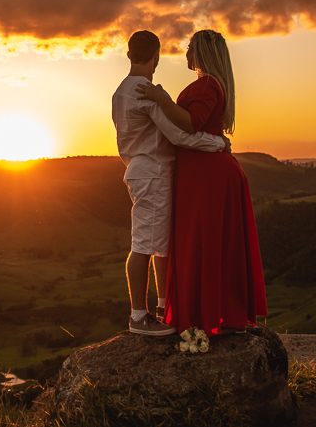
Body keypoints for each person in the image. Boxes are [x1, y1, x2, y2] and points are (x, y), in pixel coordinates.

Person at [137, 29, 268, 335]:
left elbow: (191, 122)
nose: (186, 54)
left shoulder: (207, 84)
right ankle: (210, 314)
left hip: (207, 177)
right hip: (204, 173)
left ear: (202, 54)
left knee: (202, 243)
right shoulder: (209, 84)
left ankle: (205, 316)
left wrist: (160, 98)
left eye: (190, 48)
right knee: (208, 245)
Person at [113, 30, 231, 337]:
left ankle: (165, 308)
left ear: (128, 55)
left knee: (160, 245)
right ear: (156, 56)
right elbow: (179, 134)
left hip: (139, 168)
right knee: (144, 245)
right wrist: (217, 142)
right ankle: (139, 317)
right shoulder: (145, 90)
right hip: (153, 171)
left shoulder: (119, 93)